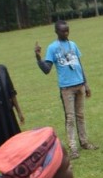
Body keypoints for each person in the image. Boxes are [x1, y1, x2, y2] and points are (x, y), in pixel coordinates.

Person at [35, 20, 97, 159]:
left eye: (67, 30)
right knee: (70, 118)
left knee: (81, 116)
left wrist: (86, 84)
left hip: (79, 84)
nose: (66, 33)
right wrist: (38, 57)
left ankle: (84, 142)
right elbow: (47, 69)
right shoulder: (52, 48)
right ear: (56, 32)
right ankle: (73, 147)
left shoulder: (73, 44)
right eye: (63, 31)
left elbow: (80, 65)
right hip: (66, 88)